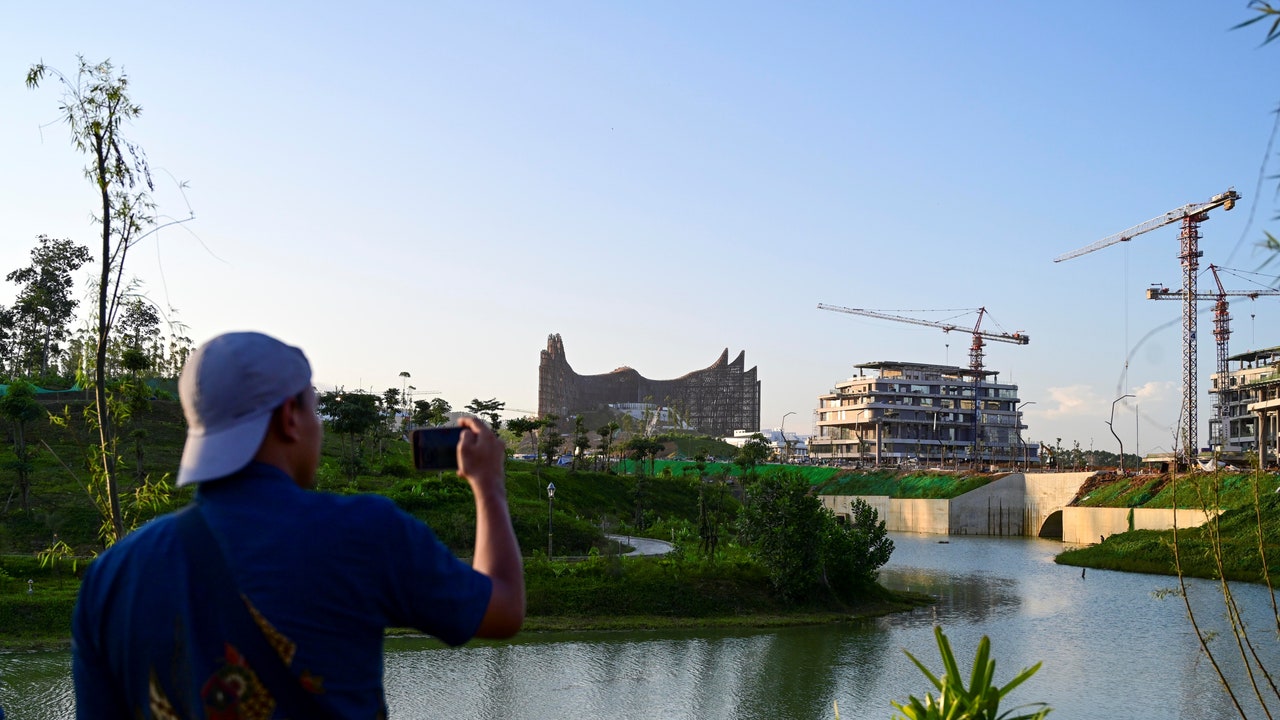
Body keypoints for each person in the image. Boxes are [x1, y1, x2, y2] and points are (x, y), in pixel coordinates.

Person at [72, 331, 524, 718]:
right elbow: (502, 608)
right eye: (314, 407)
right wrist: (488, 485)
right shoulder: (365, 532)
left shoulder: (109, 577)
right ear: (290, 417)